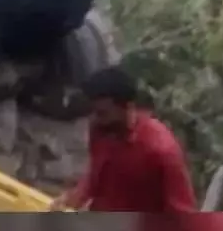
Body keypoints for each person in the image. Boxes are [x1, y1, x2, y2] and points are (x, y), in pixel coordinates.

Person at [51, 65, 198, 213]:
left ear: (127, 107)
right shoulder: (100, 129)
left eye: (102, 113)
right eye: (93, 112)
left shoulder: (161, 150)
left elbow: (182, 213)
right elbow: (96, 175)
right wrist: (71, 199)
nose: (94, 118)